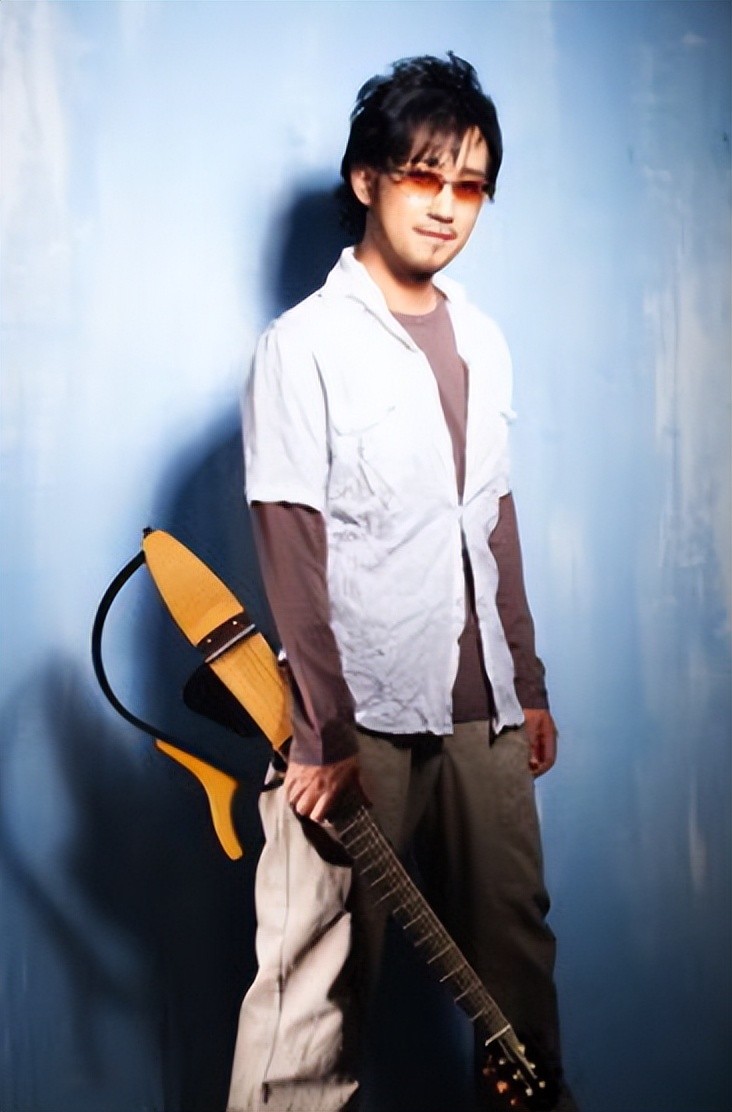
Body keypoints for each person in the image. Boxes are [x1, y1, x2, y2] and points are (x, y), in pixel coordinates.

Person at [227, 53, 576, 1112]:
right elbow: (291, 541)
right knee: (313, 991)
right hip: (354, 719)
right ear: (368, 177)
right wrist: (320, 733)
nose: (447, 205)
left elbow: (492, 518)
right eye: (425, 175)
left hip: (483, 715)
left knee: (517, 977)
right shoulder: (303, 346)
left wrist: (527, 682)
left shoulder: (485, 339)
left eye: (471, 185)